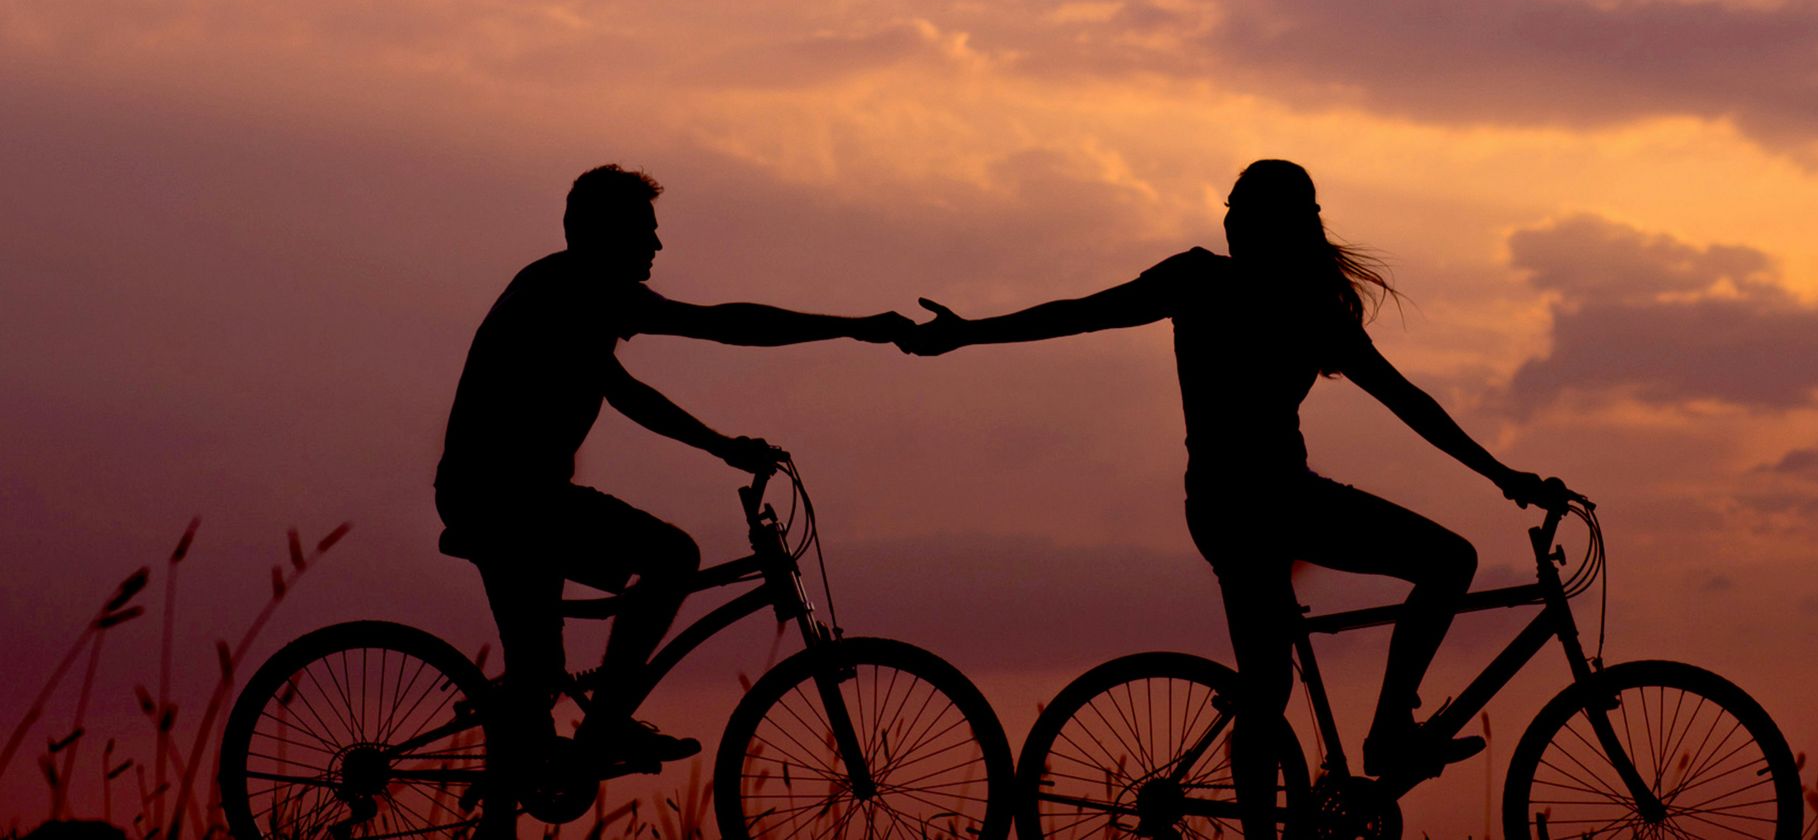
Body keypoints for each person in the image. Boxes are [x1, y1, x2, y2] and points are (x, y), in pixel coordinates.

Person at [901, 159, 1552, 838]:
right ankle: (1389, 731)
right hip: (1261, 505)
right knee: (1440, 567)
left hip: (1236, 505)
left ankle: (1329, 778)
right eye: (1231, 206)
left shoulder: (1286, 304)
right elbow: (1082, 315)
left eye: (1244, 208)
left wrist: (1502, 473)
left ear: (1279, 225)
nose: (1231, 218)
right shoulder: (1222, 286)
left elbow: (1408, 402)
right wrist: (971, 331)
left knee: (1268, 687)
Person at [435, 164, 910, 769]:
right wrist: (855, 329)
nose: (657, 245)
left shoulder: (570, 296)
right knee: (671, 558)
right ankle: (602, 725)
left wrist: (723, 445)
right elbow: (716, 328)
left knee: (539, 683)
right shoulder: (573, 290)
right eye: (644, 230)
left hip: (517, 499)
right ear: (606, 233)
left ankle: (554, 746)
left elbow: (629, 388)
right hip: (506, 501)